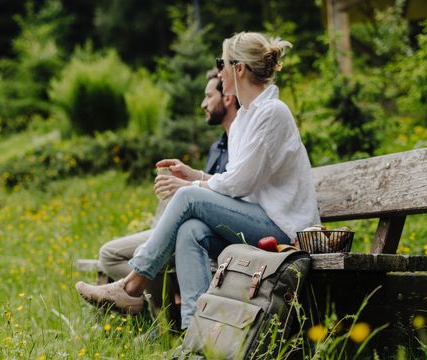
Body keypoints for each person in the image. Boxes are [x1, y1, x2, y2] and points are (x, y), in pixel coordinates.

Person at [76, 32, 320, 330]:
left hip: (283, 230)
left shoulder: (271, 113)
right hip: (259, 220)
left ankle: (131, 286)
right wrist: (198, 176)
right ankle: (197, 333)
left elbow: (240, 185)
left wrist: (192, 187)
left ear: (239, 68)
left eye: (223, 62)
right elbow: (239, 180)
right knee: (191, 230)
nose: (219, 70)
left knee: (187, 198)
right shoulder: (246, 117)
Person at [95, 69, 239, 313]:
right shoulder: (218, 147)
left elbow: (231, 192)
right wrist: (186, 180)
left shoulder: (244, 140)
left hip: (214, 230)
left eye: (208, 96)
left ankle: (159, 320)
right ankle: (147, 306)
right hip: (189, 222)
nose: (203, 104)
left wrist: (188, 185)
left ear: (227, 97)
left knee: (149, 250)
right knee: (108, 254)